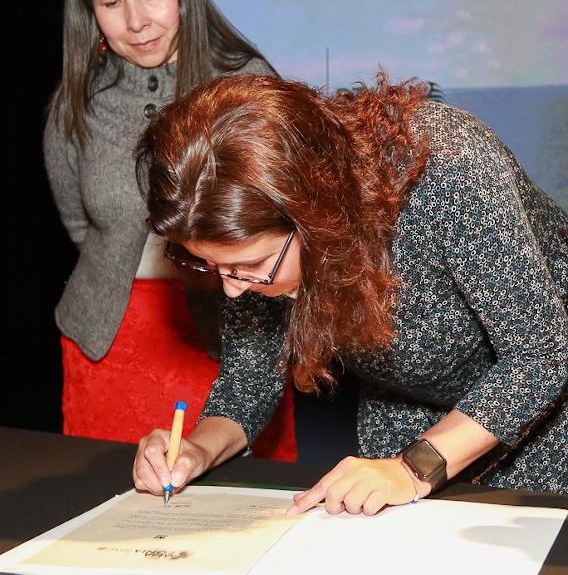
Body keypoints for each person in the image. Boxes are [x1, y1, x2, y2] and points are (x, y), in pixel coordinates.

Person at [132, 73, 567, 511]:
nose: (232, 290)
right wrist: (198, 450)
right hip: (404, 416)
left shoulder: (450, 167)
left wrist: (413, 469)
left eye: (252, 266)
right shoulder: (253, 239)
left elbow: (542, 354)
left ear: (314, 216)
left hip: (544, 421)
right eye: (209, 266)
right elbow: (249, 380)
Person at [44, 0, 296, 459]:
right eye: (111, 2)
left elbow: (286, 222)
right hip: (108, 338)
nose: (136, 20)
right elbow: (78, 222)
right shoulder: (78, 100)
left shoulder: (246, 84)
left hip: (231, 339)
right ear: (90, 10)